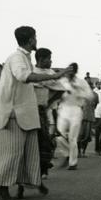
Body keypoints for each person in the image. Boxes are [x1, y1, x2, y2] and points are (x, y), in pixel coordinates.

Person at [0, 26, 71, 200]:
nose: (36, 40)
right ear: (31, 39)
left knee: (19, 156)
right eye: (35, 37)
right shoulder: (17, 58)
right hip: (13, 115)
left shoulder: (23, 58)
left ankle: (7, 194)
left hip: (22, 115)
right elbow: (23, 76)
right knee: (9, 155)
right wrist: (57, 74)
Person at [32, 48, 66, 181]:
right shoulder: (31, 71)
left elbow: (61, 90)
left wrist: (48, 101)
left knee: (45, 140)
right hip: (28, 110)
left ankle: (44, 167)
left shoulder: (51, 73)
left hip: (42, 111)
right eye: (49, 58)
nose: (51, 61)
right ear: (41, 59)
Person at [55, 63, 93, 170]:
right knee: (58, 134)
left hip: (76, 109)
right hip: (63, 109)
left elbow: (90, 96)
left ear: (76, 72)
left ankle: (73, 163)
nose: (70, 73)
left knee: (73, 138)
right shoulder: (62, 81)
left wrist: (78, 92)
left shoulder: (81, 82)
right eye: (69, 71)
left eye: (72, 71)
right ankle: (67, 153)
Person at [79, 76, 98, 157]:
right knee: (79, 135)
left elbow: (95, 105)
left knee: (87, 136)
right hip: (80, 117)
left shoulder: (95, 95)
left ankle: (83, 152)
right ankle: (79, 152)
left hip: (90, 117)